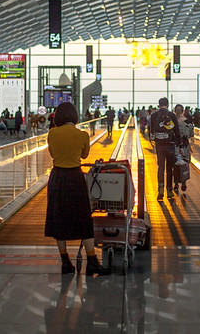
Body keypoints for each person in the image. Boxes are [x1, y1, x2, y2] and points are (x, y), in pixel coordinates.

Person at [44, 102, 111, 276]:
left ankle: (65, 262)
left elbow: (52, 154)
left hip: (57, 178)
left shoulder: (52, 133)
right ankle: (92, 262)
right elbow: (84, 155)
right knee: (84, 219)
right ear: (74, 116)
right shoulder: (82, 135)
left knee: (58, 218)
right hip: (75, 177)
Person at [149, 97, 181, 201]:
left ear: (159, 105)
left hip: (159, 145)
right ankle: (169, 190)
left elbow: (151, 131)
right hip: (170, 145)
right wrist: (179, 145)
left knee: (161, 168)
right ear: (167, 105)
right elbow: (177, 131)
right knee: (169, 169)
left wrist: (154, 141)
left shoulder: (154, 116)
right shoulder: (172, 115)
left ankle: (160, 190)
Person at [172, 104, 194, 194]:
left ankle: (177, 183)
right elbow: (191, 134)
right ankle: (181, 183)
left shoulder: (173, 121)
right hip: (184, 145)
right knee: (184, 164)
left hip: (177, 145)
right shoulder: (187, 121)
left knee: (177, 164)